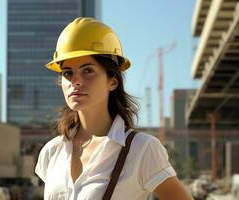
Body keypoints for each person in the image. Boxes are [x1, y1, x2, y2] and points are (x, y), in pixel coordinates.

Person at [35, 17, 194, 200]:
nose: (75, 81)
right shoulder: (52, 152)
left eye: (88, 70)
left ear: (112, 81)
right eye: (68, 73)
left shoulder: (142, 149)